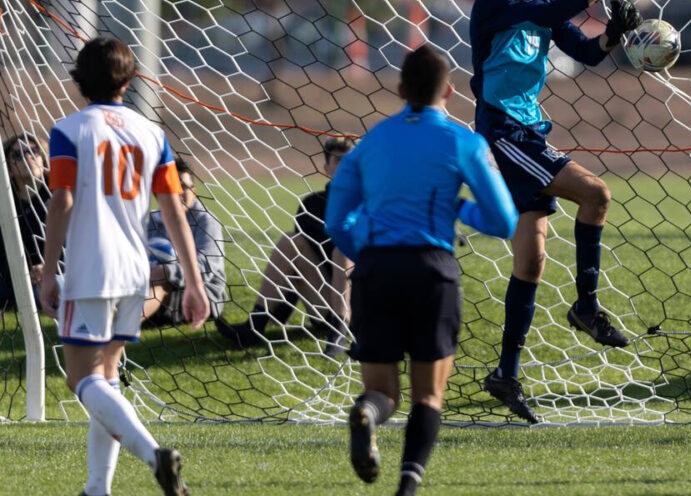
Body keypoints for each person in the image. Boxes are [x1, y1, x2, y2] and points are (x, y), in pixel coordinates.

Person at [469, 0, 651, 423]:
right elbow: (547, 13)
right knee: (596, 194)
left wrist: (615, 32)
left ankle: (505, 375)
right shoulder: (491, 6)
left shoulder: (541, 6)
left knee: (530, 263)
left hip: (527, 135)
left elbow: (588, 53)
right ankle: (587, 307)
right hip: (506, 137)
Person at [325, 45, 517, 496]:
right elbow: (504, 221)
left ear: (399, 90)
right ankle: (406, 489)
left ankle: (367, 414)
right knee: (427, 396)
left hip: (375, 273)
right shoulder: (463, 141)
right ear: (450, 92)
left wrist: (368, 252)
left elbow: (337, 220)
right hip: (433, 273)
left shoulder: (370, 143)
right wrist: (457, 210)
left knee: (383, 393)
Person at [38, 36, 210, 496]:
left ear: (79, 80)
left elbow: (62, 201)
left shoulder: (69, 130)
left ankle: (155, 456)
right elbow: (173, 210)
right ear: (129, 81)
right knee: (107, 380)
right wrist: (194, 282)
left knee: (82, 379)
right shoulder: (152, 133)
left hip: (91, 270)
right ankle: (97, 488)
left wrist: (50, 269)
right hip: (136, 272)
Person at [216, 137, 354, 355]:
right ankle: (255, 326)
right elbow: (295, 263)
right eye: (338, 160)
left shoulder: (372, 203)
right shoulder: (312, 205)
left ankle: (339, 337)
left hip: (363, 306)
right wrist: (280, 312)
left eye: (352, 159)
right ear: (327, 167)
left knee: (342, 251)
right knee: (291, 240)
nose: (345, 165)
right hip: (322, 299)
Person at [144, 156, 226, 326]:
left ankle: (120, 327)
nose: (178, 193)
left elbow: (208, 267)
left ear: (194, 192)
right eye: (171, 187)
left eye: (183, 187)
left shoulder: (206, 221)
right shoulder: (148, 222)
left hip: (203, 293)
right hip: (148, 286)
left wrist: (166, 271)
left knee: (162, 285)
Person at [0, 133, 50, 310]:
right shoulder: (5, 202)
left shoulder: (59, 196)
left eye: (33, 151)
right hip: (13, 276)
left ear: (43, 159)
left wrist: (46, 267)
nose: (28, 157)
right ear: (9, 168)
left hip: (56, 273)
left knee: (40, 294)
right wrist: (21, 270)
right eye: (18, 155)